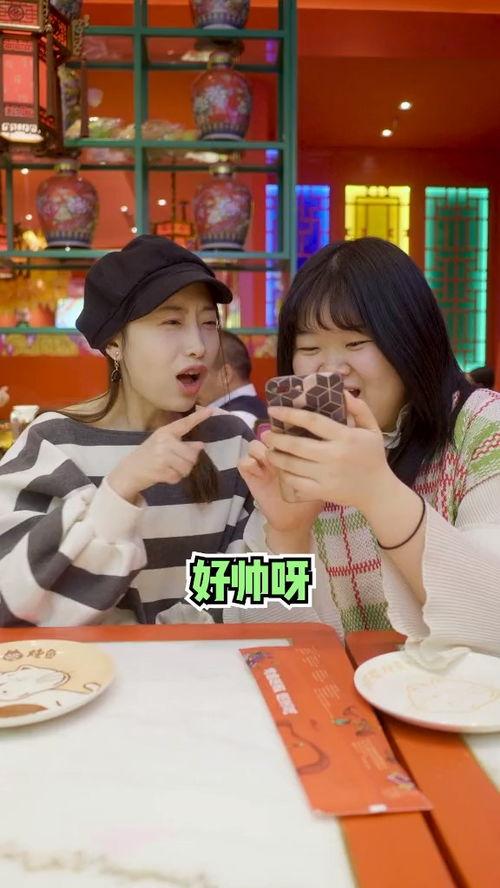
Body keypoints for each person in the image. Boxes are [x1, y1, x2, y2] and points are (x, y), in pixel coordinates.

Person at [230, 237, 500, 657]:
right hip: (344, 696)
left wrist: (378, 492)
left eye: (356, 343)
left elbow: (492, 619)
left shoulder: (483, 427)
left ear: (412, 339)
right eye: (309, 348)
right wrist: (286, 534)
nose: (331, 368)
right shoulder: (299, 451)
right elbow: (247, 626)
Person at [0, 236, 255, 627]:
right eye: (172, 322)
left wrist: (288, 528)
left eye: (208, 323)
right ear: (115, 343)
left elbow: (276, 587)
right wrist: (119, 490)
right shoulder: (53, 443)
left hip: (209, 662)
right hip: (92, 668)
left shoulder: (231, 440)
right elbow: (11, 600)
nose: (199, 346)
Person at [198, 329, 268, 431]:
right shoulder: (247, 412)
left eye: (195, 374)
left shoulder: (234, 419)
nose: (190, 384)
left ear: (225, 375)